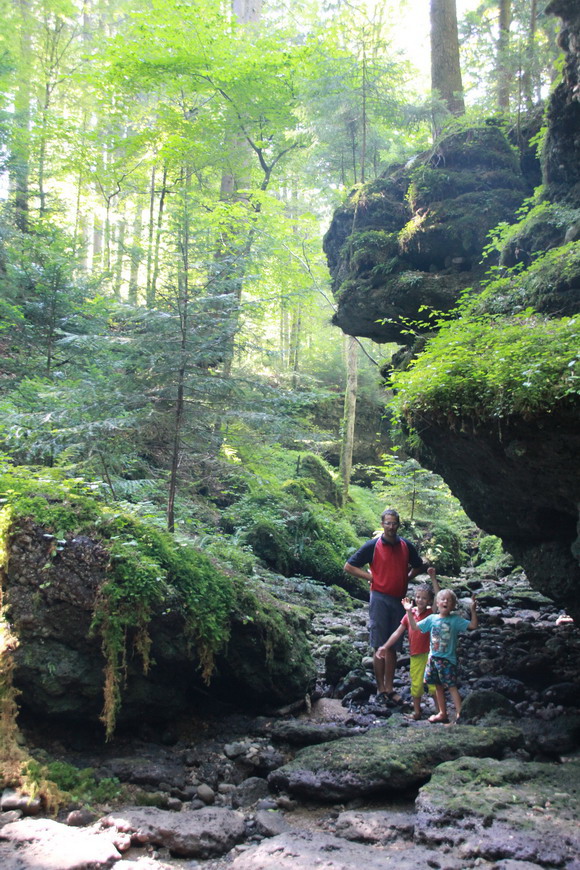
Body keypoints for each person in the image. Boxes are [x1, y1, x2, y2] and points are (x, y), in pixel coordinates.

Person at [344, 508, 426, 703]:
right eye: (387, 523)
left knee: (393, 646)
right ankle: (380, 688)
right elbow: (349, 566)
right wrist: (371, 577)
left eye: (394, 523)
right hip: (379, 598)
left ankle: (390, 687)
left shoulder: (406, 545)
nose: (391, 527)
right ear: (382, 524)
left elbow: (419, 565)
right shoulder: (372, 546)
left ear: (398, 524)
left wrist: (407, 578)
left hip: (399, 600)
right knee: (379, 643)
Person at [403, 588, 477, 723]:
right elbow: (414, 627)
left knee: (451, 686)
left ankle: (460, 713)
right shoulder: (432, 618)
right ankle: (442, 713)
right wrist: (408, 611)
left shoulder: (455, 620)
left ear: (453, 605)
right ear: (436, 603)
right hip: (433, 658)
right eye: (442, 599)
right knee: (437, 686)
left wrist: (473, 610)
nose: (445, 602)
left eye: (449, 600)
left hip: (448, 659)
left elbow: (473, 626)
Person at [376, 567, 440, 719]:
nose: (420, 600)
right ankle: (417, 712)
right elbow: (397, 632)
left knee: (433, 684)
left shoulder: (431, 613)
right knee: (416, 684)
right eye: (417, 597)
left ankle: (440, 711)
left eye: (424, 598)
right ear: (413, 598)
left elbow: (439, 596)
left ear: (429, 601)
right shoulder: (409, 615)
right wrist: (385, 646)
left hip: (431, 654)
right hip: (416, 655)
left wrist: (433, 578)